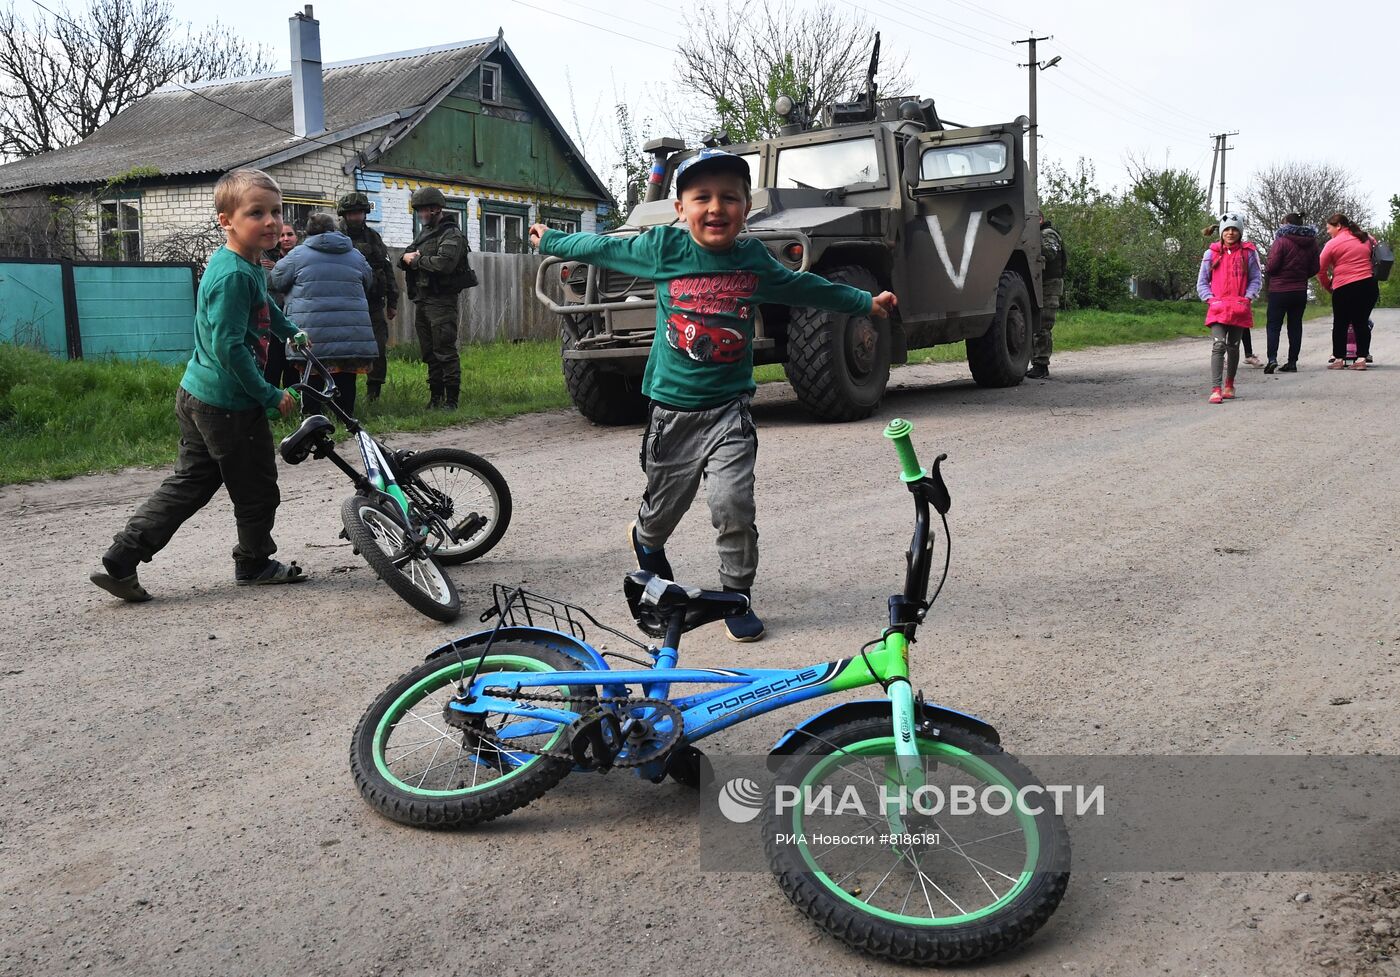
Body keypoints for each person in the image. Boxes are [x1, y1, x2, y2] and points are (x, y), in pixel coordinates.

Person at [529, 148, 898, 642]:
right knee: (662, 514)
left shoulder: (752, 259)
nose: (716, 207)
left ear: (746, 208)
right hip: (672, 415)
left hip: (730, 413)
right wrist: (551, 237)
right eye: (702, 197)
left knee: (733, 505)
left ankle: (736, 595)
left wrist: (863, 301)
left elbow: (804, 287)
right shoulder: (662, 248)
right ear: (680, 208)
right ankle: (646, 541)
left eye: (729, 197)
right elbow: (599, 248)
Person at [89, 168, 307, 602]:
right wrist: (269, 395)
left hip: (199, 395)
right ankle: (255, 562)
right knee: (257, 489)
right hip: (228, 405)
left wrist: (289, 330)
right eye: (256, 213)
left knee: (191, 483)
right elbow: (230, 348)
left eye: (275, 212)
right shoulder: (233, 276)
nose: (270, 222)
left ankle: (122, 557)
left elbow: (261, 308)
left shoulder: (244, 262)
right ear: (226, 220)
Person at [270, 212, 378, 415]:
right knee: (346, 373)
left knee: (312, 373)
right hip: (350, 331)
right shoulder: (355, 254)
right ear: (334, 230)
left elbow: (276, 281)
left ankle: (312, 418)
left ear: (308, 232)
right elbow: (368, 281)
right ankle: (345, 416)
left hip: (313, 332)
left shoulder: (297, 255)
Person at [399, 186, 473, 409]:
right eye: (418, 210)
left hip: (441, 301)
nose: (420, 214)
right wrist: (408, 259)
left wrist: (417, 261)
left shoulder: (451, 234)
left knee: (445, 351)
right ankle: (435, 398)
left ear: (436, 209)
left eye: (423, 209)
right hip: (423, 299)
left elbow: (444, 264)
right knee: (429, 353)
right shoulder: (424, 234)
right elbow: (404, 258)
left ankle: (451, 401)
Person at [337, 192, 400, 400]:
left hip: (372, 304)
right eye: (352, 213)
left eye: (360, 212)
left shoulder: (373, 237)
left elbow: (386, 268)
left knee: (378, 348)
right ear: (344, 215)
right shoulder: (335, 236)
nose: (356, 217)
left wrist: (392, 301)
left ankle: (374, 393)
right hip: (343, 305)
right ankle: (342, 394)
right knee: (343, 350)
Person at [1196, 213, 1261, 404]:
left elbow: (1256, 279)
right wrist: (1210, 299)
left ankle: (1229, 384)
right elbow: (1202, 282)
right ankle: (1216, 388)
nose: (1231, 233)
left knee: (1233, 346)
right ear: (1221, 232)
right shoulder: (1211, 253)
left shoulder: (1249, 253)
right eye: (1227, 230)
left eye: (1234, 229)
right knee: (1218, 346)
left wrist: (1247, 297)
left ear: (1240, 232)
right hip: (1217, 307)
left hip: (1239, 307)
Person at [1316, 212, 1378, 370]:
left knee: (1341, 323)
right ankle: (1362, 358)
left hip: (1344, 287)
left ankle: (1339, 359)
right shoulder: (1366, 238)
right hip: (1368, 285)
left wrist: (1328, 286)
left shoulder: (1332, 244)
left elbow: (1320, 269)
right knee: (1361, 322)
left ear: (1338, 226)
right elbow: (1377, 252)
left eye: (1329, 228)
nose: (1328, 231)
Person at [1261, 213, 1319, 373]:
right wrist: (1300, 276)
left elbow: (1272, 267)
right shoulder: (1312, 243)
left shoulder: (1281, 242)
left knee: (1273, 326)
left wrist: (1270, 270)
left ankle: (1272, 359)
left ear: (1286, 224)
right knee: (1295, 326)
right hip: (1299, 291)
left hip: (1279, 290)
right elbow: (1315, 268)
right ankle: (1292, 362)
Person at [260, 221, 301, 387]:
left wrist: (277, 268)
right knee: (273, 363)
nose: (285, 239)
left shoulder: (302, 257)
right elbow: (269, 281)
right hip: (275, 317)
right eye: (282, 235)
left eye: (290, 234)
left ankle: (294, 400)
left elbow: (302, 281)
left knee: (293, 364)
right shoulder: (267, 255)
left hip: (296, 317)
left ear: (297, 237)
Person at [1026, 214, 1065, 379]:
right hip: (1038, 285)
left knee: (1043, 324)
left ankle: (1041, 365)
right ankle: (1035, 363)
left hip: (1049, 284)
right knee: (1033, 325)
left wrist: (1031, 245)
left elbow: (1049, 252)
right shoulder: (1039, 234)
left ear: (1039, 220)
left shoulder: (1048, 233)